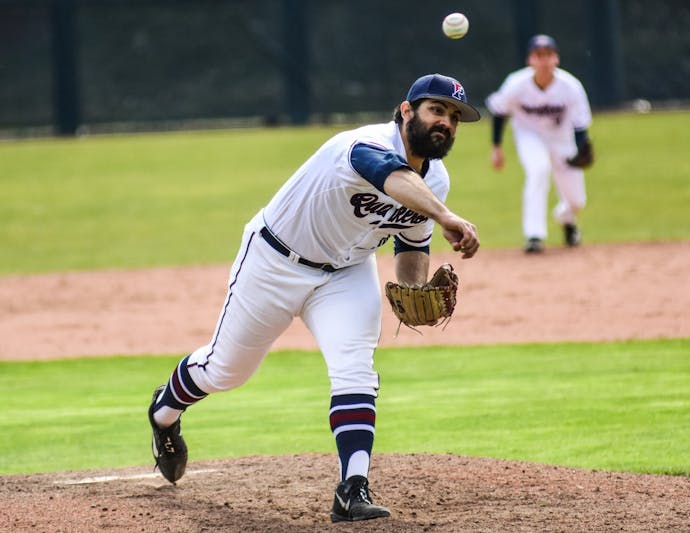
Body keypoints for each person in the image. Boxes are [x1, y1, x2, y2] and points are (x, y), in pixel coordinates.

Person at [147, 73, 481, 523]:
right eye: (436, 110)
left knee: (355, 365)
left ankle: (352, 488)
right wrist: (447, 216)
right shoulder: (362, 144)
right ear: (406, 112)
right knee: (226, 370)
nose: (446, 122)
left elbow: (412, 244)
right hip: (275, 261)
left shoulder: (435, 181)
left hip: (347, 272)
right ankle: (164, 413)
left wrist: (416, 289)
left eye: (455, 117)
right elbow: (390, 176)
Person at [486, 34, 594, 254]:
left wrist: (582, 147)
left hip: (562, 139)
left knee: (577, 200)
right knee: (538, 170)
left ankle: (567, 219)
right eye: (538, 55)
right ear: (530, 60)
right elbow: (499, 112)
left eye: (548, 55)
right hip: (529, 136)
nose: (543, 60)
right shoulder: (516, 83)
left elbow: (581, 125)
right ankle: (534, 235)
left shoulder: (570, 87)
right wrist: (496, 147)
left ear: (556, 59)